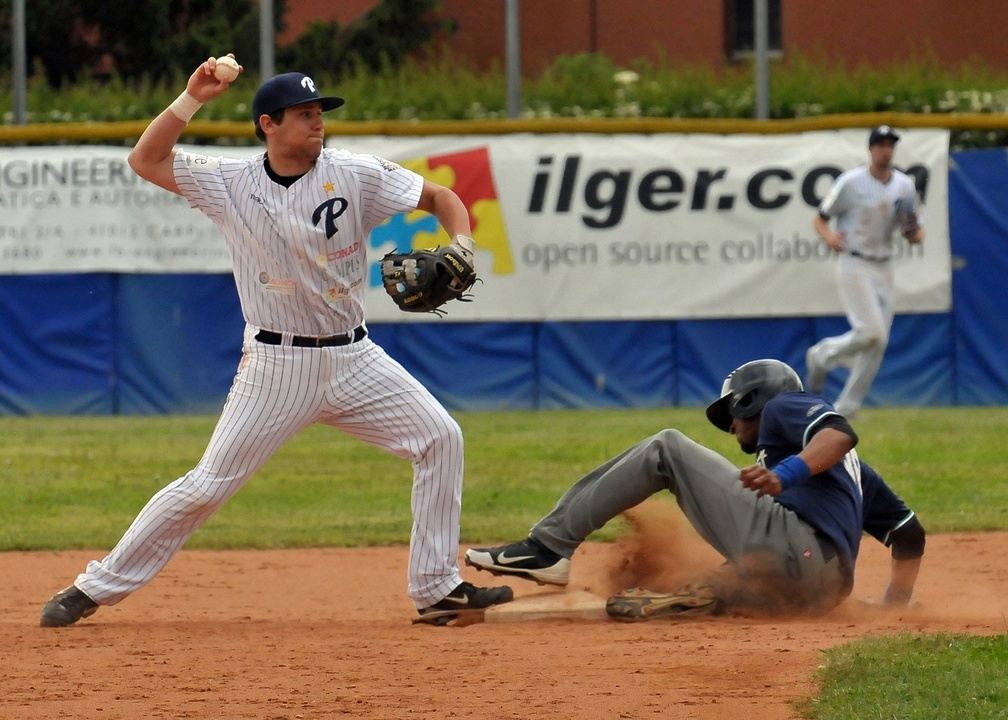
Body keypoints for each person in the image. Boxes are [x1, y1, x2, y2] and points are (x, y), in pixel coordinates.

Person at [39, 55, 512, 628]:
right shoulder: (230, 183)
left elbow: (440, 197)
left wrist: (462, 245)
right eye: (304, 114)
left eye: (320, 112)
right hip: (276, 365)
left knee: (440, 438)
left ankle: (437, 589)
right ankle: (93, 587)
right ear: (268, 124)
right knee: (207, 486)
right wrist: (192, 100)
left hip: (355, 358)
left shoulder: (355, 173)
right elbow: (146, 159)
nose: (318, 122)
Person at [465, 359, 925, 621]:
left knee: (666, 448)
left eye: (733, 413)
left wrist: (786, 474)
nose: (732, 426)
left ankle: (547, 548)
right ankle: (707, 593)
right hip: (818, 593)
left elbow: (840, 432)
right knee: (688, 580)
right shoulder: (855, 474)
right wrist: (894, 608)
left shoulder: (785, 406)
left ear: (754, 399)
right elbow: (908, 534)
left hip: (796, 550)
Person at [805, 124, 925, 417]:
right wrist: (829, 237)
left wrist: (913, 233)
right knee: (871, 331)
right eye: (881, 144)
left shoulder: (903, 185)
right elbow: (820, 219)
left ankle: (847, 407)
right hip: (855, 261)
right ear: (871, 149)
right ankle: (822, 354)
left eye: (890, 145)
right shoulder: (851, 182)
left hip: (884, 264)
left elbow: (915, 231)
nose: (886, 150)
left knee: (878, 342)